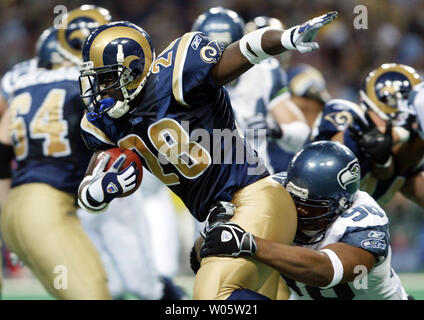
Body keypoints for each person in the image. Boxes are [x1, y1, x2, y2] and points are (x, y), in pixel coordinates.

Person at [76, 11, 338, 300]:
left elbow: (245, 50)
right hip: (218, 216)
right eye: (96, 81)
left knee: (211, 297)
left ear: (134, 69)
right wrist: (95, 193)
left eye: (107, 79)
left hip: (253, 197)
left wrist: (287, 38)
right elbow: (91, 181)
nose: (99, 90)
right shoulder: (108, 121)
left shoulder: (174, 74)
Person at [200, 141, 411, 300]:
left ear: (341, 205)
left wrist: (249, 243)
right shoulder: (277, 189)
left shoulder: (365, 220)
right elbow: (201, 255)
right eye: (294, 202)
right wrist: (217, 229)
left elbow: (326, 271)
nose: (299, 212)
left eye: (311, 208)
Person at [0, 6, 113, 298]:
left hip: (21, 207)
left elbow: (1, 147)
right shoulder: (84, 79)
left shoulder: (23, 83)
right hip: (47, 206)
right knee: (93, 295)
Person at [191, 7, 310, 174]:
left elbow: (300, 134)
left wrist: (277, 130)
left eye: (225, 53)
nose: (218, 62)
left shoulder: (264, 72)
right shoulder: (184, 82)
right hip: (204, 184)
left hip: (255, 180)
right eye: (210, 55)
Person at [310, 63, 424, 208]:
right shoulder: (347, 113)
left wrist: (384, 161)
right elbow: (334, 156)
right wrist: (400, 134)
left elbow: (385, 172)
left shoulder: (410, 154)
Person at [268, 63, 331, 172]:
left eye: (317, 107)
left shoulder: (326, 136)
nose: (313, 113)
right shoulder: (269, 130)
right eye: (304, 109)